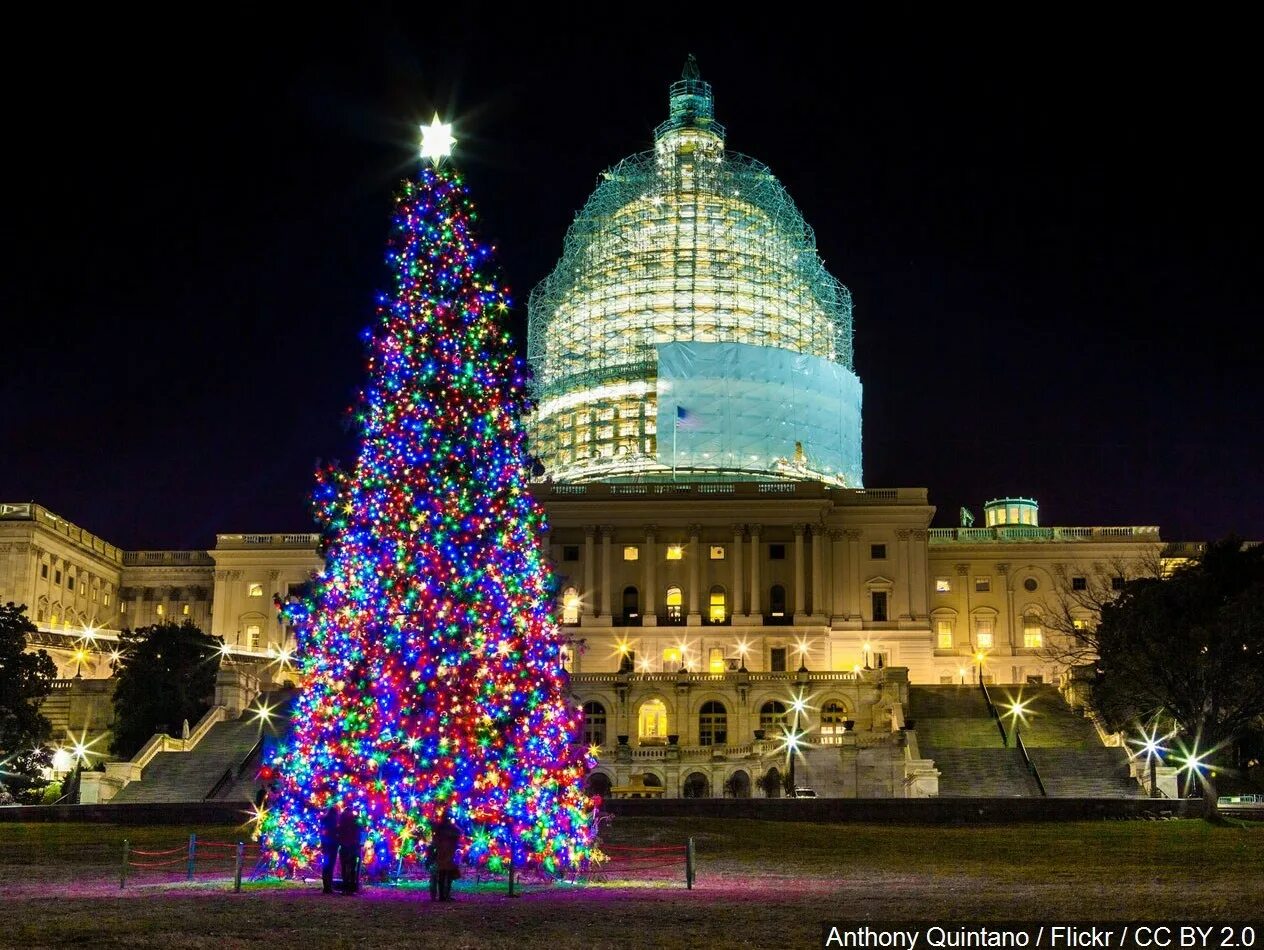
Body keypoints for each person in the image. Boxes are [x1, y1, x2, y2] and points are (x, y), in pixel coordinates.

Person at [429, 814, 461, 902]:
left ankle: (442, 896)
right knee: (446, 876)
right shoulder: (450, 830)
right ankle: (444, 895)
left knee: (442, 876)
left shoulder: (439, 830)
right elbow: (458, 833)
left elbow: (435, 841)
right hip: (446, 856)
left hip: (443, 856)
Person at [336, 804, 363, 895]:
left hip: (345, 847)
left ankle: (345, 888)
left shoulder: (341, 823)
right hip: (352, 847)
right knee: (352, 868)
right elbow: (359, 833)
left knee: (344, 868)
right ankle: (351, 888)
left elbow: (339, 835)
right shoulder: (355, 822)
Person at [319, 804, 340, 895]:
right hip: (333, 845)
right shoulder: (336, 820)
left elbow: (322, 833)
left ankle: (326, 887)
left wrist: (323, 844)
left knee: (326, 866)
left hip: (326, 845)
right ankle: (329, 887)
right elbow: (336, 832)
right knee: (330, 866)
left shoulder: (324, 819)